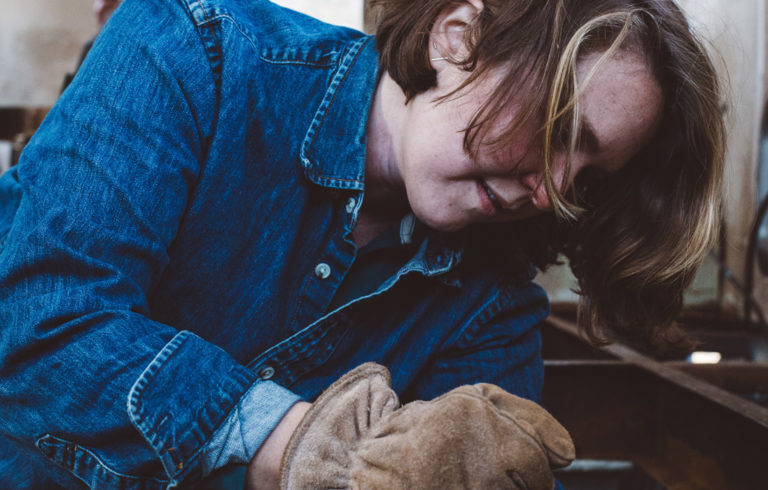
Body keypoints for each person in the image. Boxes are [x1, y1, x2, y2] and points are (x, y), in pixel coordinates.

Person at [0, 0, 724, 488]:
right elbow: (40, 329)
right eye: (562, 130)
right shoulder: (193, 50)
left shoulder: (493, 311)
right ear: (458, 35)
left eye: (590, 178)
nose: (556, 189)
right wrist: (302, 447)